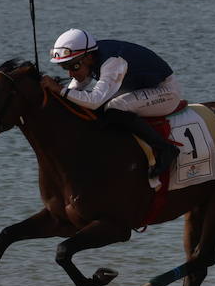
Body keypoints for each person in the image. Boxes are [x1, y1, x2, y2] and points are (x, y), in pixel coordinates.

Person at [45, 28, 182, 178]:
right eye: (65, 68)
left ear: (89, 57)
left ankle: (165, 149)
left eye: (73, 66)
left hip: (165, 91)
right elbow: (74, 90)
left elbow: (95, 101)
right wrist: (58, 94)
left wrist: (59, 90)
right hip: (142, 88)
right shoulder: (91, 58)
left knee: (115, 107)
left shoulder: (112, 62)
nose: (70, 73)